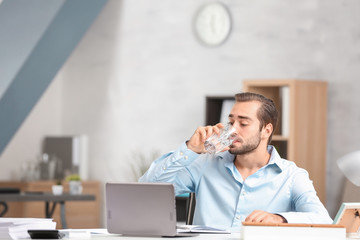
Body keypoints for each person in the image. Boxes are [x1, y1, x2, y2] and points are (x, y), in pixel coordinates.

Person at [139, 92, 332, 230]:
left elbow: (323, 220)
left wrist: (279, 219)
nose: (233, 129)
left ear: (267, 130)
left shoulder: (291, 176)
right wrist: (190, 150)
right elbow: (147, 189)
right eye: (231, 122)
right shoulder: (205, 165)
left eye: (244, 123)